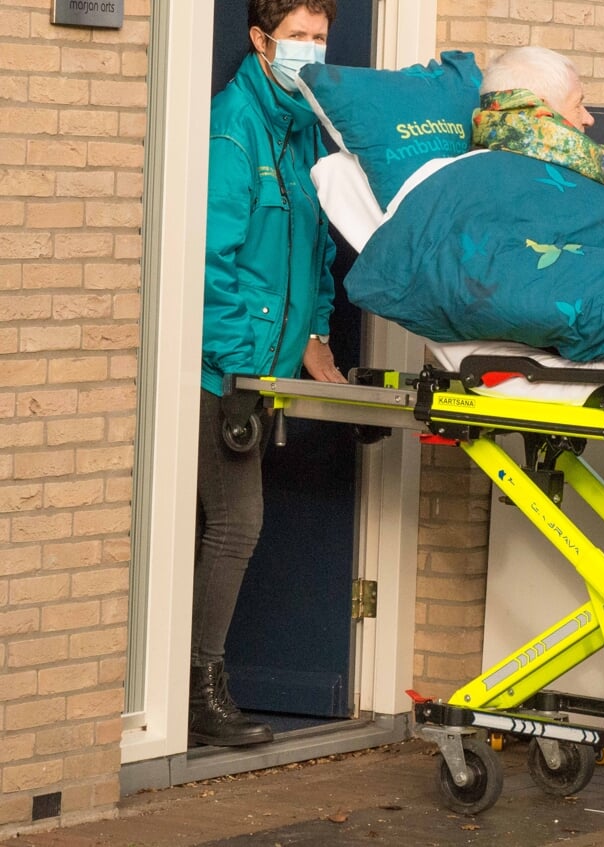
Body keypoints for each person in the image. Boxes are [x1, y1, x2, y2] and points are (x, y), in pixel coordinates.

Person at [195, 0, 345, 747]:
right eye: (297, 38)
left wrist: (317, 333)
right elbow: (208, 262)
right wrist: (235, 372)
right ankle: (200, 690)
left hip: (268, 368)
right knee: (235, 524)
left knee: (230, 524)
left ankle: (197, 678)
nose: (310, 51)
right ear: (260, 41)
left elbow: (315, 249)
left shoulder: (303, 127)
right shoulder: (235, 127)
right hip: (223, 372)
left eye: (320, 38)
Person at [480, 45, 595, 133]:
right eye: (577, 105)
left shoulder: (468, 160)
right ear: (541, 113)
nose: (589, 119)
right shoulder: (584, 161)